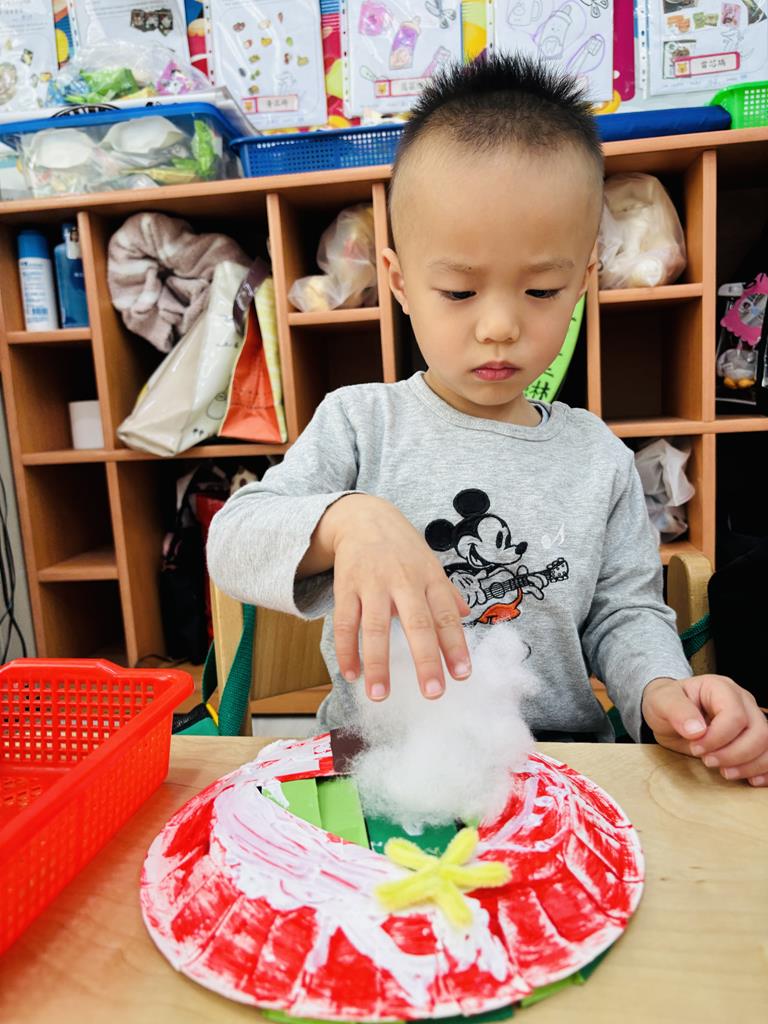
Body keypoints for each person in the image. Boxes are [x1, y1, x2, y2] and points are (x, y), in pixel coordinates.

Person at [208, 54, 768, 786]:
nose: (500, 326)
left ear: (584, 280)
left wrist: (663, 692)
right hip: (379, 764)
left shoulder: (597, 457)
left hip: (557, 761)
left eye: (541, 290)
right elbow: (233, 539)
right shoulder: (360, 423)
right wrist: (346, 521)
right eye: (458, 291)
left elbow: (625, 614)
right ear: (400, 282)